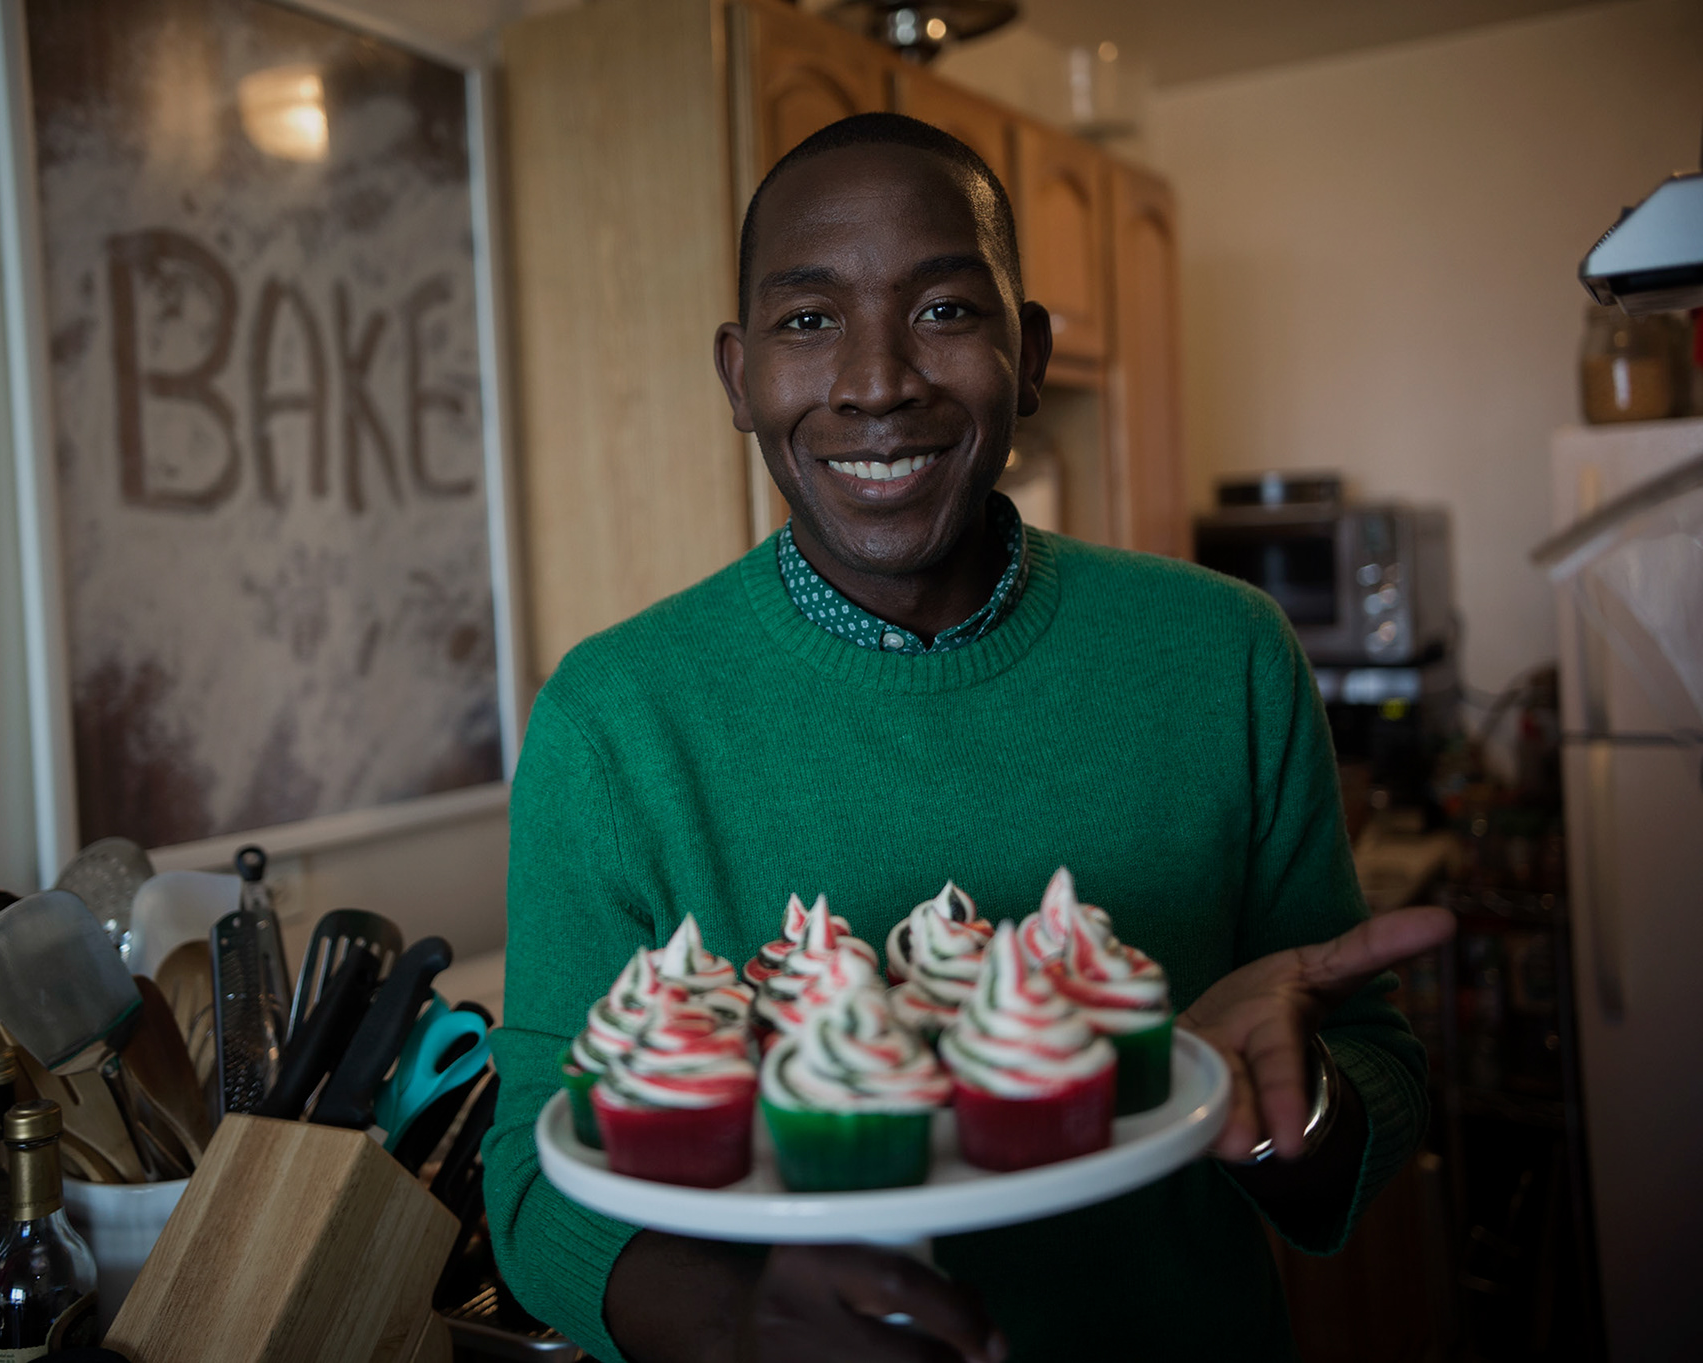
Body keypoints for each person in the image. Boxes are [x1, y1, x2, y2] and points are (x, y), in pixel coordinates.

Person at [480, 113, 1454, 1363]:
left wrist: (1287, 1105)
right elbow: (529, 1169)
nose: (878, 380)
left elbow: (1371, 1076)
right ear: (738, 376)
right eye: (808, 319)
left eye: (944, 310)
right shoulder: (613, 722)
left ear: (1029, 353)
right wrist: (731, 1322)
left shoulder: (1223, 656)